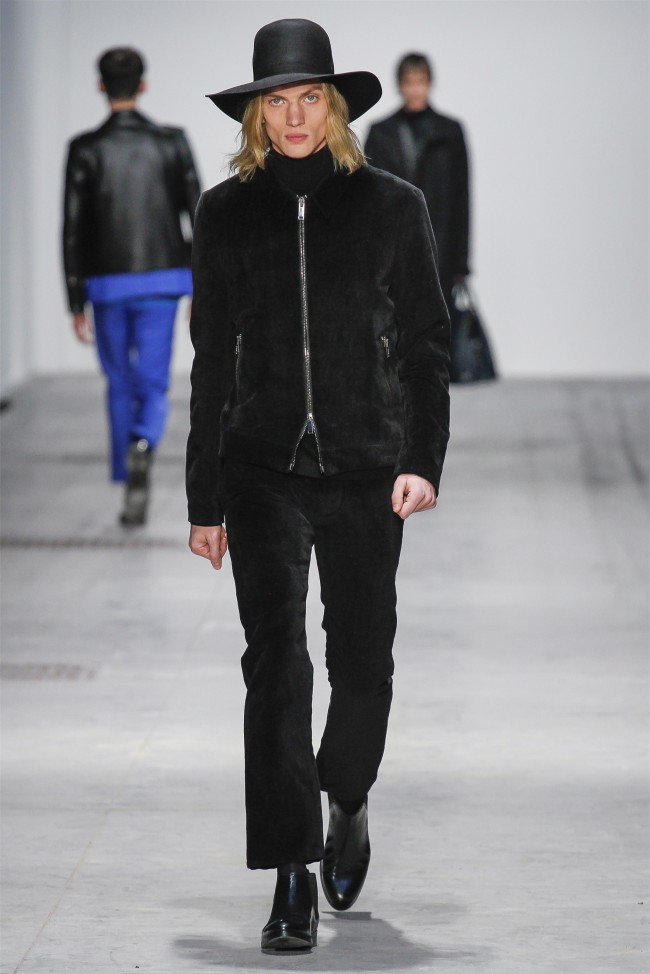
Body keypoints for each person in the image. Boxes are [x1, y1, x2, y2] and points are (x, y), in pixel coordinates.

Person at [187, 19, 450, 955]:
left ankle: (348, 793)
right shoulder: (225, 212)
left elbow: (426, 346)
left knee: (363, 661)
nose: (294, 116)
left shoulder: (392, 206)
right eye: (277, 100)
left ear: (333, 107)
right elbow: (210, 360)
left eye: (309, 98)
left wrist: (422, 458)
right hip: (260, 468)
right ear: (256, 113)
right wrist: (204, 499)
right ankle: (290, 872)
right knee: (276, 664)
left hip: (368, 466)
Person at [62, 47, 201, 525]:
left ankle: (128, 475)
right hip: (163, 280)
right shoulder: (171, 142)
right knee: (154, 381)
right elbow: (199, 214)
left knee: (119, 381)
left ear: (101, 86)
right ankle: (144, 442)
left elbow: (73, 228)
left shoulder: (85, 149)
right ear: (143, 85)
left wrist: (75, 298)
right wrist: (202, 282)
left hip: (106, 285)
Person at [365, 52, 470, 309]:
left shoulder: (449, 133)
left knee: (438, 321)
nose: (415, 89)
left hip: (440, 248)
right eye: (409, 82)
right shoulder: (381, 133)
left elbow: (461, 198)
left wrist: (461, 262)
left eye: (420, 81)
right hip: (393, 247)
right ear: (400, 85)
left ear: (429, 82)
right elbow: (368, 198)